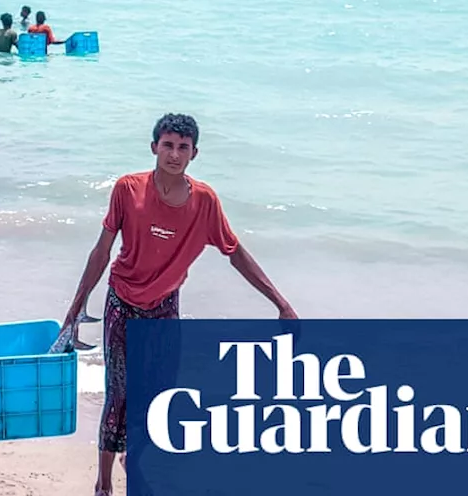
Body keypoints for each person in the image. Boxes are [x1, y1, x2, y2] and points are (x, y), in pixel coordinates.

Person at [58, 113, 298, 496]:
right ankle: (103, 484)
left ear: (194, 154)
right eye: (167, 145)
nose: (174, 154)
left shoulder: (204, 202)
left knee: (159, 396)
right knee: (119, 393)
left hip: (165, 307)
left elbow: (234, 253)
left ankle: (131, 460)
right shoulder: (127, 189)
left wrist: (280, 303)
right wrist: (76, 306)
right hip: (123, 303)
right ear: (154, 147)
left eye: (182, 147)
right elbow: (102, 251)